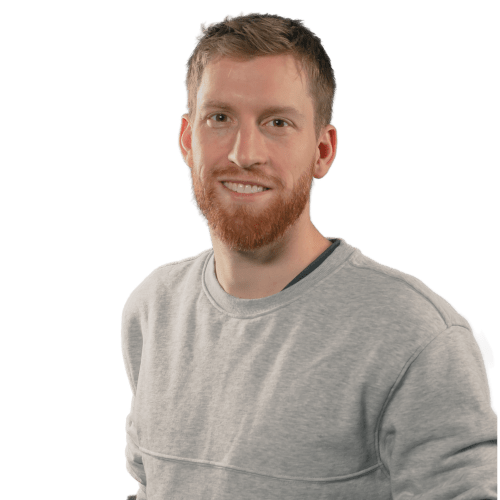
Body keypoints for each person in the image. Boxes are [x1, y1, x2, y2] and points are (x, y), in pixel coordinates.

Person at [121, 12, 497, 499]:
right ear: (188, 140)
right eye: (220, 118)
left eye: (277, 122)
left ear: (323, 150)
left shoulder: (417, 336)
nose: (243, 154)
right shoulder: (153, 310)